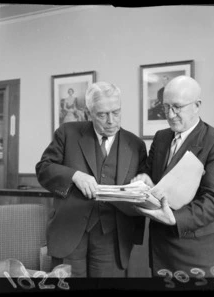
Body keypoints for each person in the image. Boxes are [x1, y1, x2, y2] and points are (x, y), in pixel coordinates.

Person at [36, 81, 147, 277]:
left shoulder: (136, 144)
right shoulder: (67, 133)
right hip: (69, 233)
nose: (111, 120)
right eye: (102, 114)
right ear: (89, 113)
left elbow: (144, 184)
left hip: (113, 237)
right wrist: (74, 176)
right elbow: (43, 169)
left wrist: (143, 182)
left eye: (116, 112)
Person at [132, 75, 214, 278]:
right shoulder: (161, 138)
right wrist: (146, 181)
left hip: (199, 254)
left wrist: (174, 219)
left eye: (177, 107)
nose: (170, 115)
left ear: (197, 105)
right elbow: (157, 183)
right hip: (161, 248)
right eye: (166, 107)